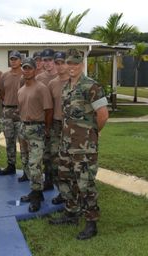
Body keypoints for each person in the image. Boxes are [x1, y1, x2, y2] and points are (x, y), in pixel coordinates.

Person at [48, 49, 109, 240]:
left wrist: (91, 135)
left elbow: (103, 115)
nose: (72, 67)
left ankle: (91, 223)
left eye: (76, 63)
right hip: (66, 144)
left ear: (81, 65)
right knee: (65, 178)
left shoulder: (91, 86)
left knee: (85, 183)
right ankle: (71, 213)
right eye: (69, 63)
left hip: (84, 147)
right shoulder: (67, 87)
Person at [17, 57, 53, 212]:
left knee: (35, 164)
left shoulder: (41, 88)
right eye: (24, 68)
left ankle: (37, 196)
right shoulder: (21, 90)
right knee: (25, 160)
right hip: (24, 128)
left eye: (29, 68)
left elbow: (49, 110)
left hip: (37, 129)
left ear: (34, 69)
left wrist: (46, 128)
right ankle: (35, 190)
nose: (26, 71)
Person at [0, 50, 28, 179]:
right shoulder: (4, 75)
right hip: (8, 111)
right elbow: (2, 93)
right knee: (9, 140)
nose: (13, 61)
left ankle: (26, 170)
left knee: (23, 142)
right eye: (11, 59)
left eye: (16, 59)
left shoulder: (26, 74)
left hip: (22, 111)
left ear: (20, 60)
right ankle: (11, 166)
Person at [47, 51, 70, 205]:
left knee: (71, 160)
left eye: (63, 62)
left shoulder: (75, 82)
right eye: (57, 63)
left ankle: (74, 194)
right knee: (55, 160)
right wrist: (47, 127)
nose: (60, 66)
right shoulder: (52, 84)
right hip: (56, 125)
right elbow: (49, 107)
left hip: (72, 126)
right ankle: (62, 192)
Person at [36, 48, 58, 191]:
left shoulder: (64, 76)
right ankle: (48, 180)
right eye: (45, 60)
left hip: (59, 121)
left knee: (60, 155)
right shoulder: (39, 78)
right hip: (43, 121)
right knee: (46, 153)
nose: (48, 63)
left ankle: (63, 185)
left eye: (50, 60)